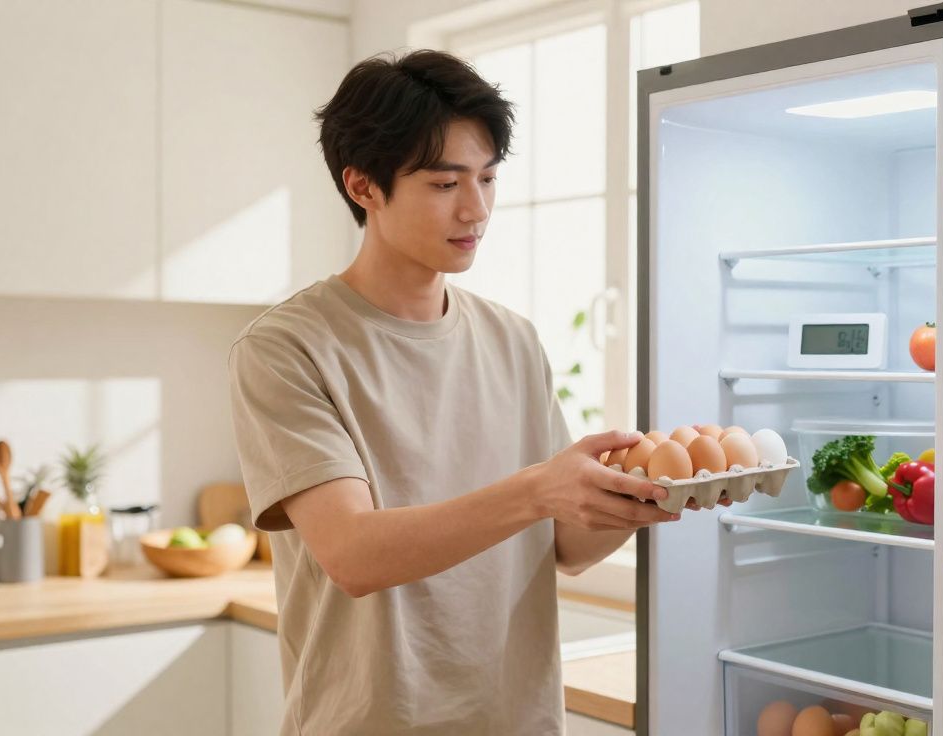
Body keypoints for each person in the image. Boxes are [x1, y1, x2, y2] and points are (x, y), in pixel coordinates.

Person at [227, 49, 694, 735]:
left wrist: (648, 495)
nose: (476, 209)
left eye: (488, 178)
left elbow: (562, 545)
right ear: (363, 186)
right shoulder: (286, 348)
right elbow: (353, 554)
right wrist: (539, 487)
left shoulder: (512, 339)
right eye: (445, 184)